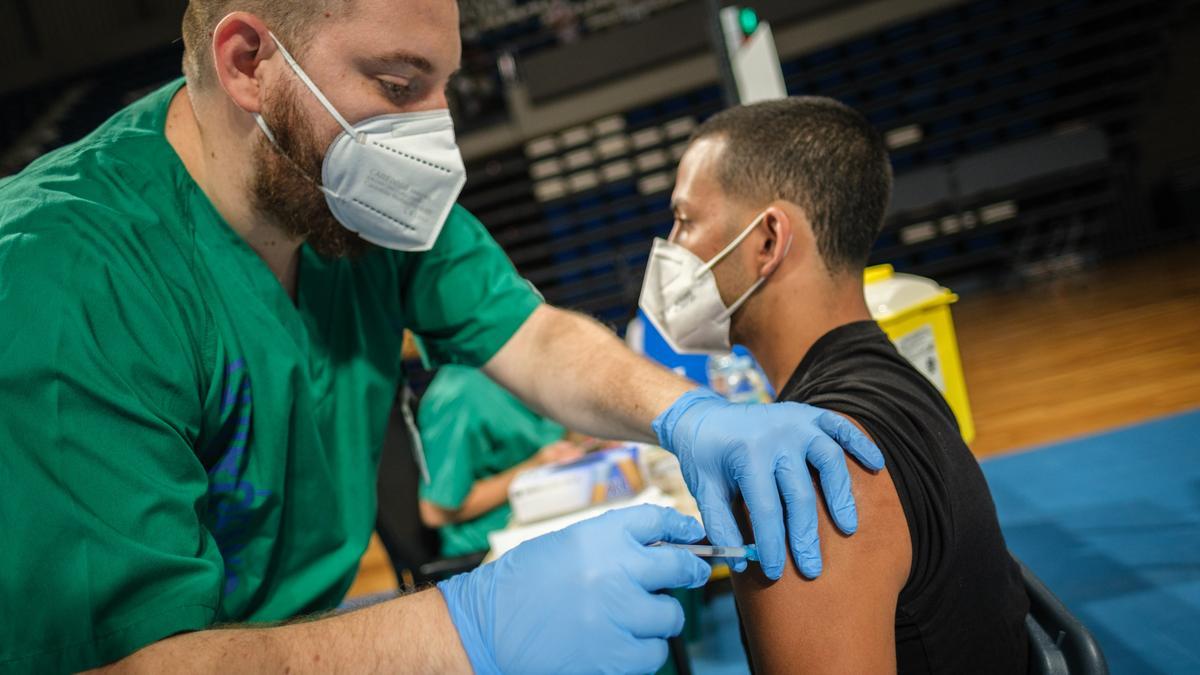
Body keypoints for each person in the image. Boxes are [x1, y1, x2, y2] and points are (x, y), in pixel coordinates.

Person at [0, 1, 884, 672]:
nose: (437, 130)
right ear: (248, 61)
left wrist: (687, 413)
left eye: (444, 85)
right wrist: (468, 630)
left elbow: (527, 334)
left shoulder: (344, 188)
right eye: (397, 86)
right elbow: (133, 662)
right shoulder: (60, 279)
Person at [642, 97, 1029, 673]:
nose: (670, 247)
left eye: (685, 220)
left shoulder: (807, 471)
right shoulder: (895, 380)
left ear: (768, 240)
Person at [417, 364, 587, 557]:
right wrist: (534, 467)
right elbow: (435, 512)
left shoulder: (529, 370)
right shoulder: (458, 395)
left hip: (550, 511)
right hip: (492, 546)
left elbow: (545, 436)